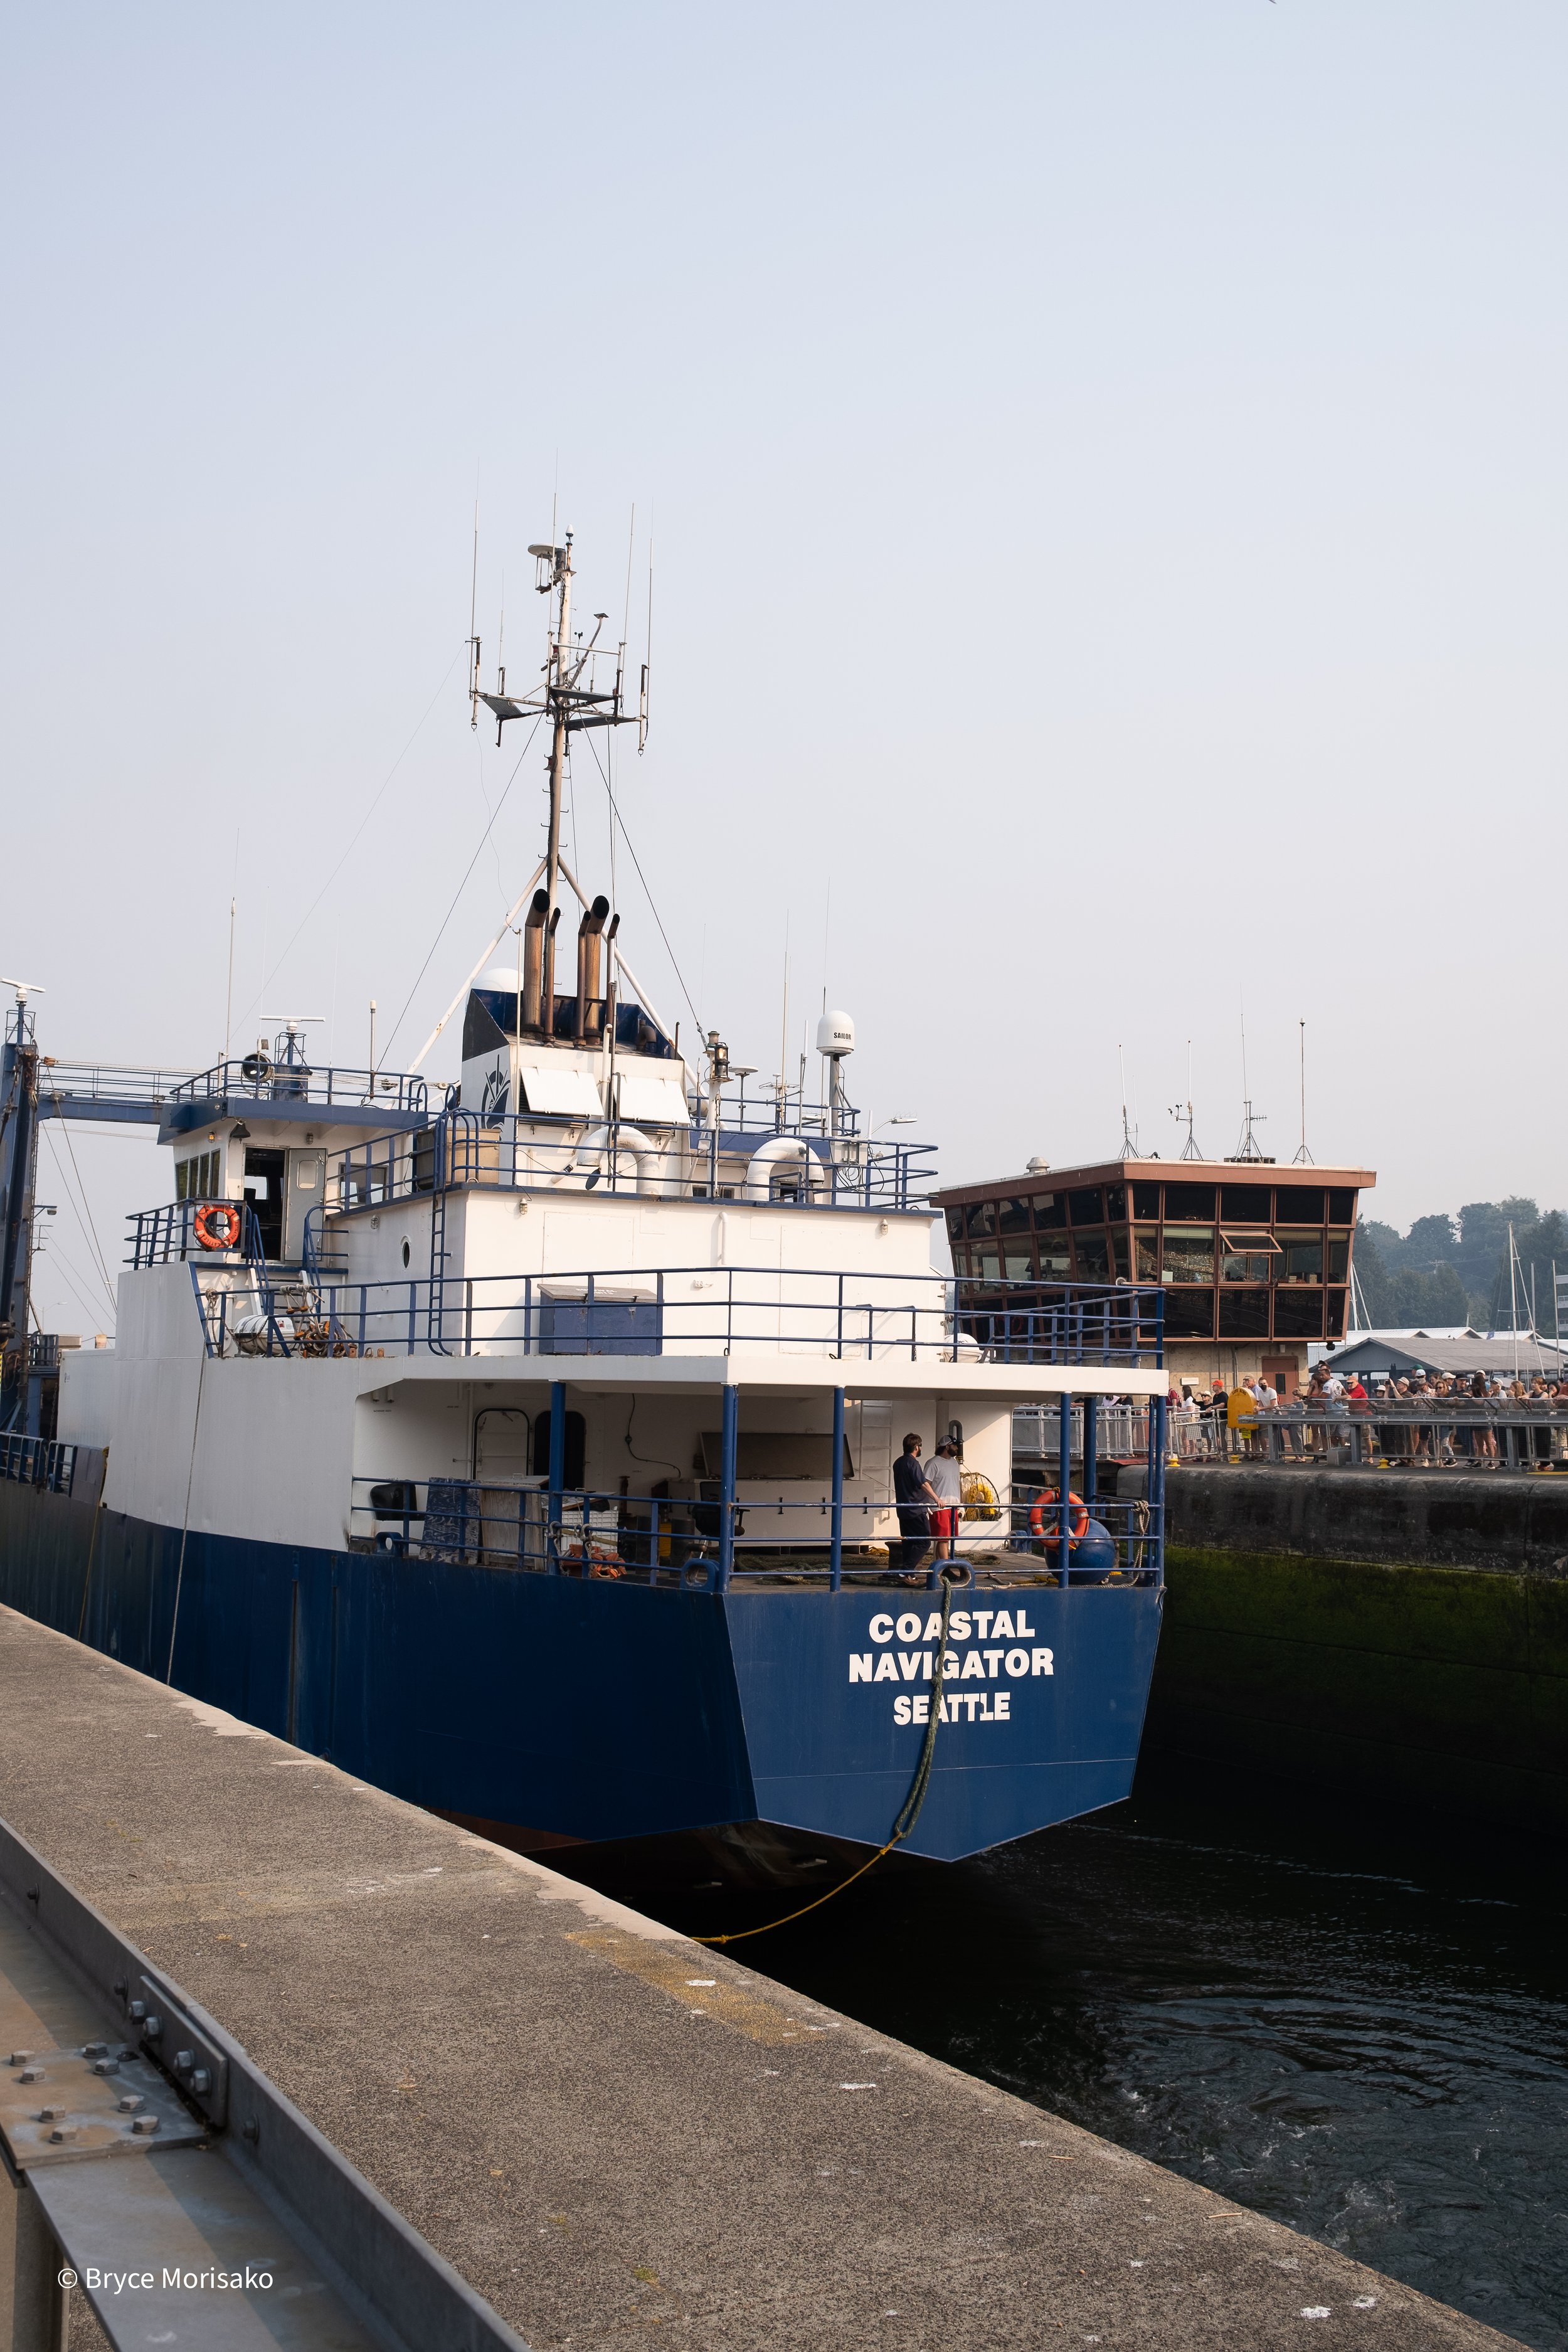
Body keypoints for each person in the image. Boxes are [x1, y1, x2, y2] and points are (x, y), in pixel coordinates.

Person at [892, 1433, 938, 1581]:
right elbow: (923, 1483)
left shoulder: (898, 1463)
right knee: (924, 1541)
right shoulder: (913, 1464)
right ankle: (905, 1571)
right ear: (917, 1447)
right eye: (920, 1446)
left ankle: (908, 1573)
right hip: (916, 1510)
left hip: (903, 1510)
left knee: (909, 1542)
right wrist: (937, 1499)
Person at [926, 1438, 964, 1565]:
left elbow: (958, 1484)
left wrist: (961, 1504)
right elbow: (926, 1484)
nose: (957, 1448)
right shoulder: (933, 1463)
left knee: (946, 1539)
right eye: (954, 1446)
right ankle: (946, 1568)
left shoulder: (954, 1463)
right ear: (947, 1447)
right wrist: (935, 1499)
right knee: (943, 1539)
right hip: (939, 1507)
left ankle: (939, 1567)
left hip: (953, 1506)